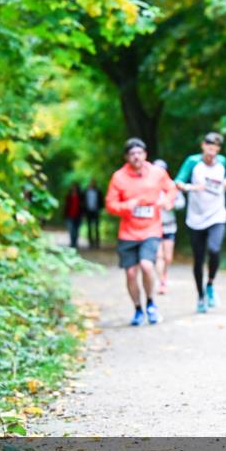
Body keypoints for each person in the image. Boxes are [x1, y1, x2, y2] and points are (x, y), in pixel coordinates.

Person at [105, 137, 178, 326]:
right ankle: (138, 309)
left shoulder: (157, 173)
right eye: (132, 154)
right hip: (128, 232)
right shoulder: (118, 177)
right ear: (126, 157)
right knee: (130, 273)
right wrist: (127, 206)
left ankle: (151, 304)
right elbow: (110, 204)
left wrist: (166, 202)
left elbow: (172, 189)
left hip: (151, 229)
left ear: (145, 154)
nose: (136, 157)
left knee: (147, 265)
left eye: (139, 153)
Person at [175, 132, 226, 313]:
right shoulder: (193, 162)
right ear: (203, 145)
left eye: (215, 145)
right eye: (209, 144)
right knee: (198, 259)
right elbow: (177, 182)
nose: (212, 147)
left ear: (218, 148)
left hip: (217, 215)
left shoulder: (222, 162)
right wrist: (192, 187)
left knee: (214, 249)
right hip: (196, 219)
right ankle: (200, 296)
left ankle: (210, 284)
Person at [153, 159, 186, 294]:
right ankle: (161, 282)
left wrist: (170, 205)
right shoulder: (148, 186)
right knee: (158, 256)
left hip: (169, 226)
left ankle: (164, 276)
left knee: (168, 257)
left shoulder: (171, 186)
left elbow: (181, 203)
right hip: (153, 226)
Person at [83, 179, 102, 249]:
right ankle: (90, 243)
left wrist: (100, 210)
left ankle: (97, 243)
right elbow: (83, 203)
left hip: (96, 211)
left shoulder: (98, 191)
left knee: (96, 228)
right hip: (88, 212)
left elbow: (101, 202)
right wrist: (84, 213)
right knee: (89, 228)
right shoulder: (86, 192)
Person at [63, 183, 83, 249]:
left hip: (78, 216)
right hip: (70, 215)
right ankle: (72, 243)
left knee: (76, 230)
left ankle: (75, 243)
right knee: (71, 230)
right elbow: (65, 206)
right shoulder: (68, 196)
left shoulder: (80, 196)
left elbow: (83, 206)